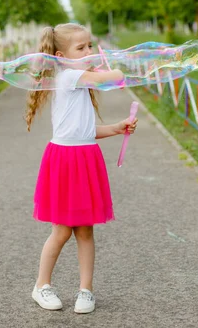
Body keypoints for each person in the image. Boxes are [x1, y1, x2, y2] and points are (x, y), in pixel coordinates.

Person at [24, 23, 138, 314]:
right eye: (82, 48)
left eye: (90, 46)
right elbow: (113, 78)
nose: (89, 51)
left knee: (85, 231)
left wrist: (115, 128)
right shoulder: (69, 76)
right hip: (64, 162)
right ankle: (41, 286)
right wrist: (113, 68)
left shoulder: (79, 79)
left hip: (85, 157)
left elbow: (83, 131)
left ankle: (86, 291)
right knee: (61, 232)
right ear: (61, 56)